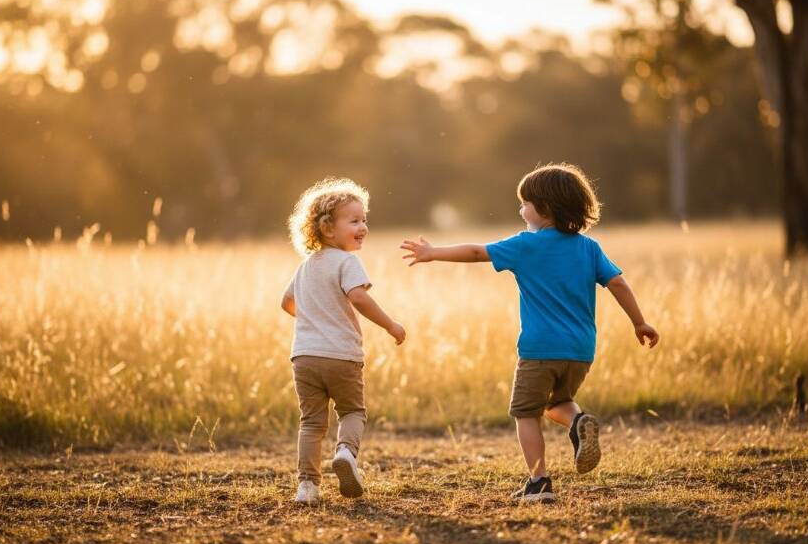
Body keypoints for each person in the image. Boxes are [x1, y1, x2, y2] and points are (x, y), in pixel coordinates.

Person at [400, 163, 659, 503]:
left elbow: (478, 252)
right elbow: (617, 282)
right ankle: (578, 422)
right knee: (558, 402)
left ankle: (538, 482)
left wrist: (433, 253)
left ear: (545, 209)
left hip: (539, 349)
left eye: (525, 203)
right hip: (580, 350)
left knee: (526, 412)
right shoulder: (589, 248)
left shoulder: (525, 245)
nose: (521, 210)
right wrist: (639, 322)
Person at [282, 178, 406, 504]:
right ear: (327, 229)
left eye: (364, 219)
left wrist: (315, 318)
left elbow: (287, 303)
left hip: (304, 356)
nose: (363, 226)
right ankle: (346, 454)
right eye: (353, 220)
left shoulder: (307, 266)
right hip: (341, 355)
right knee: (352, 411)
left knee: (311, 422)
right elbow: (359, 299)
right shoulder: (347, 261)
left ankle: (307, 486)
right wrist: (391, 324)